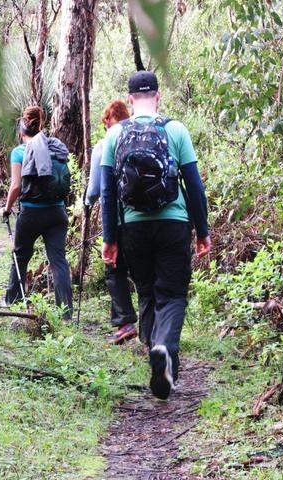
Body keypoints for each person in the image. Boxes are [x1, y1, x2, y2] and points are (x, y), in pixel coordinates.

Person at [100, 71, 211, 400]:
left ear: (130, 99)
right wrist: (202, 231)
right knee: (173, 295)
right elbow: (194, 187)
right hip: (173, 224)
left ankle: (158, 354)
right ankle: (162, 348)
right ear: (158, 97)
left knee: (147, 291)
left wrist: (110, 238)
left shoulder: (114, 135)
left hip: (133, 226)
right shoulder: (176, 130)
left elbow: (108, 193)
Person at [2, 106, 73, 318]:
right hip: (57, 213)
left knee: (20, 256)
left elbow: (16, 186)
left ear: (21, 130)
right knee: (58, 260)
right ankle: (65, 312)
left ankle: (13, 301)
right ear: (40, 125)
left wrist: (6, 209)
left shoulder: (20, 152)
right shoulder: (56, 148)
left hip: (31, 214)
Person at [85, 100, 137, 344]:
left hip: (115, 217)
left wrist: (86, 202)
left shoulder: (104, 145)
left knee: (114, 268)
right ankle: (148, 326)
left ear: (107, 120)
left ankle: (125, 323)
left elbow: (96, 188)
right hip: (143, 216)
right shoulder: (140, 138)